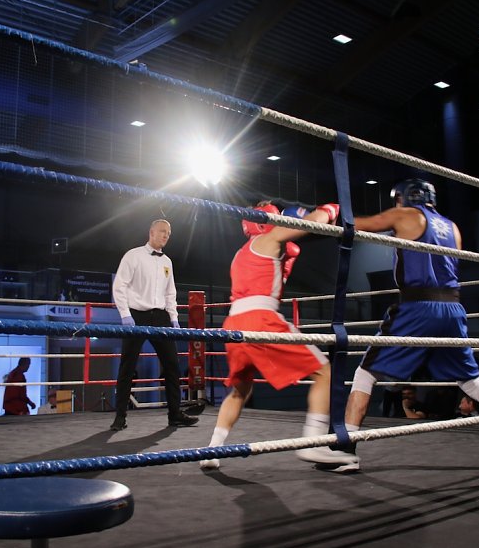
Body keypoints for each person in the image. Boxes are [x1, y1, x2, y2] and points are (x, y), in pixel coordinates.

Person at [337, 179, 479, 471]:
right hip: (452, 308)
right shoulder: (452, 228)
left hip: (417, 306)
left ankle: (345, 452)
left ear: (404, 198)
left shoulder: (406, 215)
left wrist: (321, 213)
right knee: (472, 382)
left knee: (365, 373)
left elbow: (359, 224)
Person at [199, 201, 359, 470]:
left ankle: (212, 450)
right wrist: (331, 209)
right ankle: (314, 444)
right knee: (324, 372)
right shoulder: (271, 237)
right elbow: (314, 222)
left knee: (240, 390)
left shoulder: (241, 253)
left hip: (234, 323)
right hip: (261, 318)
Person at [110, 219, 198, 430]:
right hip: (137, 316)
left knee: (172, 366)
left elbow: (170, 292)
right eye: (162, 231)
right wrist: (124, 314)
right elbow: (119, 285)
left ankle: (175, 414)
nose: (166, 235)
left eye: (168, 233)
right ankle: (120, 417)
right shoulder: (133, 255)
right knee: (127, 367)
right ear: (151, 232)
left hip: (161, 318)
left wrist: (174, 317)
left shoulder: (167, 261)